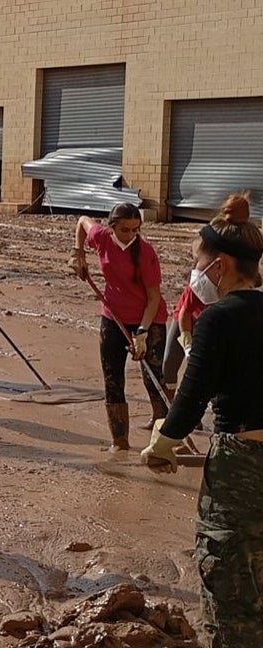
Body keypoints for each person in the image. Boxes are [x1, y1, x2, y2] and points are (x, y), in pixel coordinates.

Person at [139, 194, 263, 648]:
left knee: (229, 585)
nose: (195, 272)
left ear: (221, 265)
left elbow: (192, 397)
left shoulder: (218, 318)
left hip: (240, 464)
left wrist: (164, 441)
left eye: (197, 262)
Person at [71, 203, 169, 450]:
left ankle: (165, 436)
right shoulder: (101, 237)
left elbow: (154, 297)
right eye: (125, 230)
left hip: (149, 319)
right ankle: (120, 442)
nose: (131, 235)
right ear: (112, 227)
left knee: (152, 378)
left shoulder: (146, 252)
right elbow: (82, 221)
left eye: (136, 230)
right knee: (113, 379)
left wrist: (142, 333)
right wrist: (78, 253)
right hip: (113, 316)